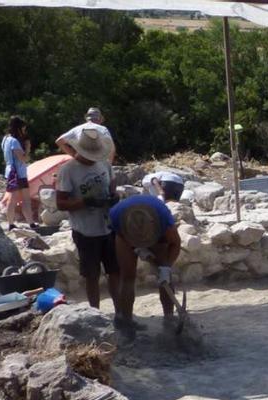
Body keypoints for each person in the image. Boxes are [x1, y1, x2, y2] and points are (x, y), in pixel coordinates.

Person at [108, 183, 183, 340]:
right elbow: (118, 234)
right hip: (126, 235)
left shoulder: (162, 216)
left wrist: (166, 268)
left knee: (164, 275)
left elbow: (175, 243)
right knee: (127, 277)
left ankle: (169, 319)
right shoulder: (116, 214)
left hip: (156, 236)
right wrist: (135, 247)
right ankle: (127, 322)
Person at [55, 126, 117, 311]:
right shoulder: (68, 170)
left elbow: (112, 186)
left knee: (115, 272)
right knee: (92, 275)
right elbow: (61, 203)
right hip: (85, 231)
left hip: (108, 226)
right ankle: (95, 313)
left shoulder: (104, 164)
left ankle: (121, 312)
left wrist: (114, 197)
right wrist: (86, 201)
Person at [1, 116, 37, 229]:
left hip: (10, 172)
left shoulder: (5, 139)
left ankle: (12, 223)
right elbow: (24, 159)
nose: (24, 131)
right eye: (23, 128)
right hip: (18, 173)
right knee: (21, 199)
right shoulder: (14, 141)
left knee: (15, 198)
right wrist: (27, 148)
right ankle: (24, 223)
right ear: (19, 128)